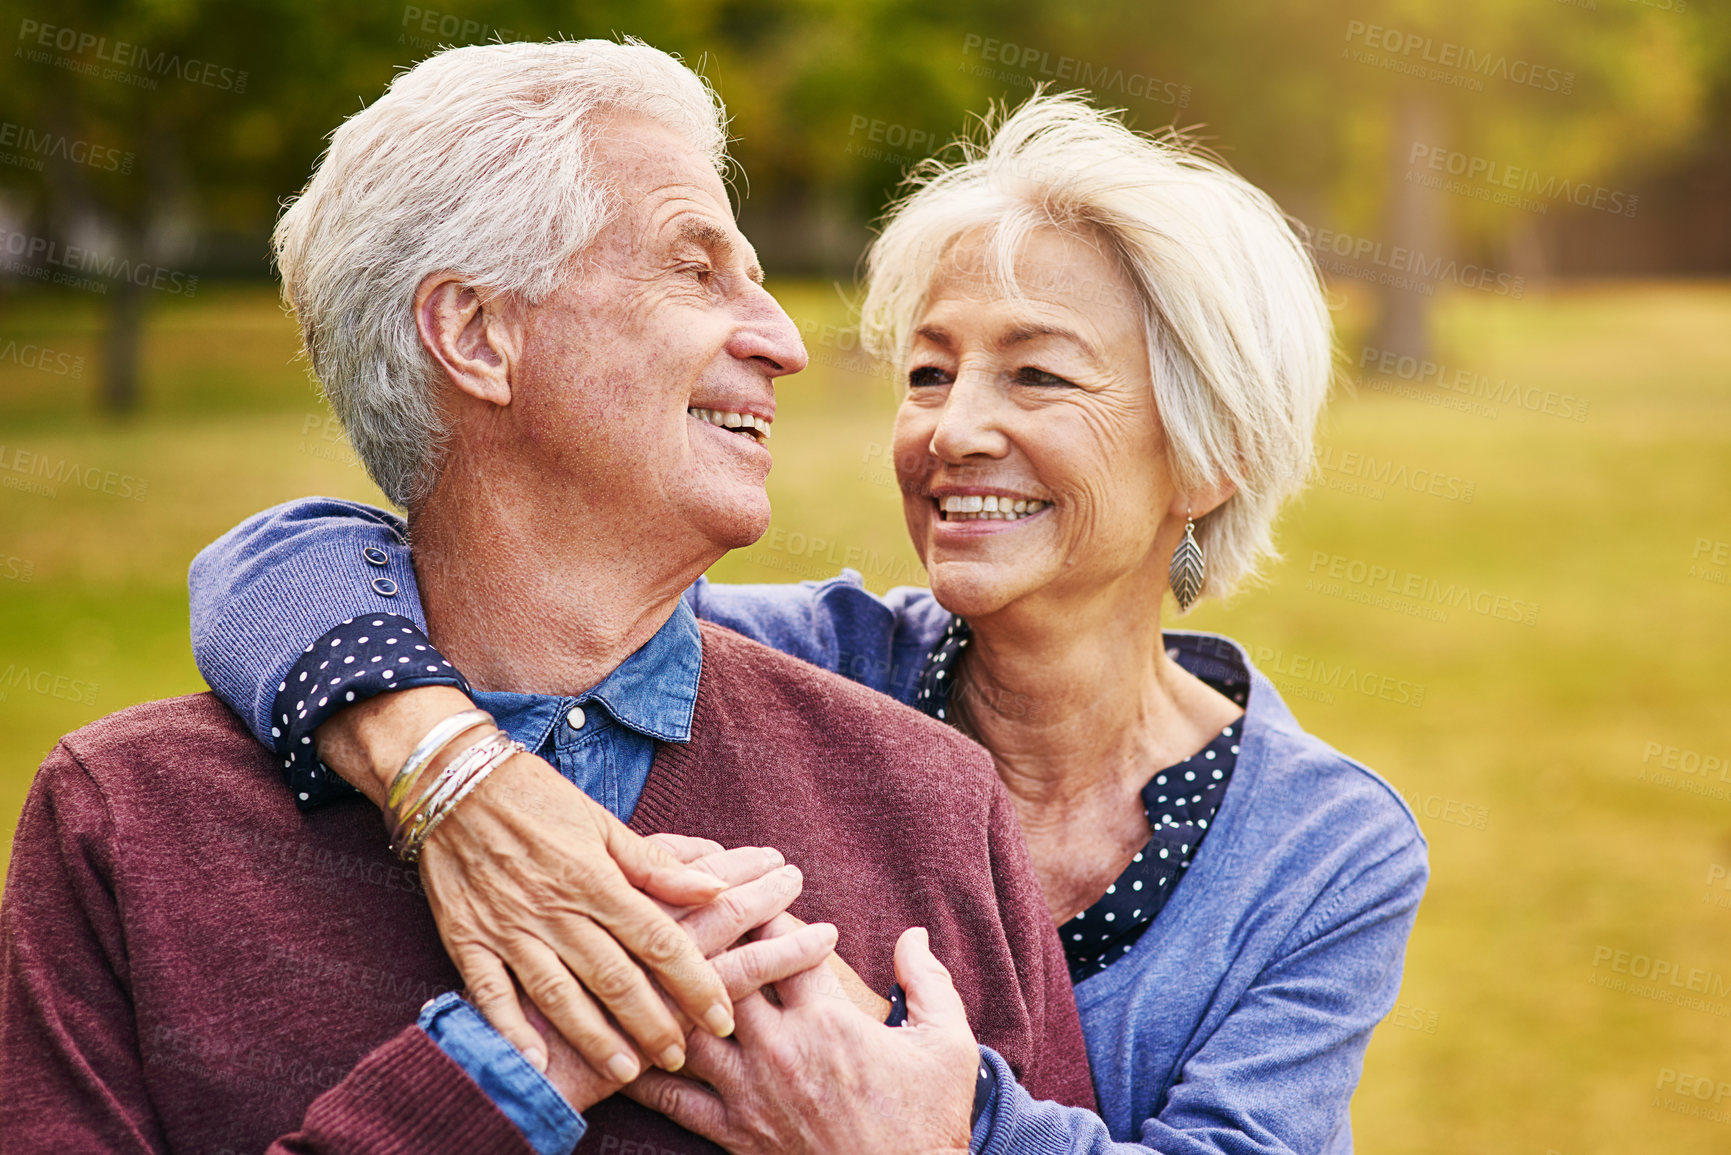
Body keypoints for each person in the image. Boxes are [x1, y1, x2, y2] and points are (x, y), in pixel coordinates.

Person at [189, 93, 1430, 1152]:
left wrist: (935, 1128)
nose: (951, 433)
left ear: (1208, 453)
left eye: (1038, 374)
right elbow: (287, 565)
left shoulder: (1321, 849)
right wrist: (458, 782)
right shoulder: (795, 665)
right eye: (931, 372)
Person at [0, 42, 1097, 1155]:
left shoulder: (932, 805)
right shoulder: (125, 823)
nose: (781, 341)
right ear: (476, 334)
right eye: (695, 269)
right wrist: (490, 1083)